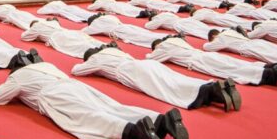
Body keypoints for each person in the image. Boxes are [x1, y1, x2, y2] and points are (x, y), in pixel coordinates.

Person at [0, 62, 187, 139]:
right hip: (74, 85)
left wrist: (13, 85)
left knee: (89, 117)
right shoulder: (46, 65)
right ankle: (161, 121)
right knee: (114, 107)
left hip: (53, 95)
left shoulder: (17, 77)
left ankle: (136, 132)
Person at [71, 46, 242, 112]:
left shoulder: (96, 59)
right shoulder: (115, 51)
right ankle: (215, 89)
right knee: (175, 78)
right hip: (144, 64)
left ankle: (210, 91)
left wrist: (89, 63)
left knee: (166, 88)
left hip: (132, 71)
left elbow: (76, 70)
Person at [148, 36, 277, 89]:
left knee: (231, 70)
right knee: (235, 64)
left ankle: (273, 73)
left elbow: (151, 58)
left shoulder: (163, 47)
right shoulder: (177, 40)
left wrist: (152, 51)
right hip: (205, 55)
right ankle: (272, 67)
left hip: (199, 61)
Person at [89, 0, 155, 18]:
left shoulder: (99, 1)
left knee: (125, 10)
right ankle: (146, 11)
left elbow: (91, 8)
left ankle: (140, 13)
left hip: (113, 6)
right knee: (130, 7)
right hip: (118, 3)